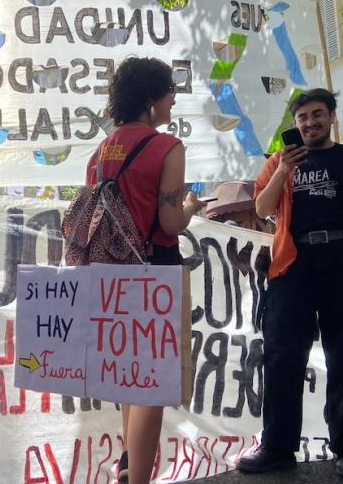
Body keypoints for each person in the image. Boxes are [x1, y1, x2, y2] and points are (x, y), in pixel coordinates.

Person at [236, 89, 343, 480]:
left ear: (332, 117)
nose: (309, 123)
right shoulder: (278, 161)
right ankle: (277, 447)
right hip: (294, 265)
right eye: (302, 117)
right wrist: (284, 170)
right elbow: (263, 209)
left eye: (317, 115)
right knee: (283, 355)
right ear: (295, 123)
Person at [86, 57, 206, 484]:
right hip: (154, 267)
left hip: (107, 274)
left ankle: (127, 466)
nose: (173, 102)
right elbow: (171, 222)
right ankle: (138, 477)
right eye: (169, 93)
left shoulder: (100, 152)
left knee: (125, 374)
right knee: (151, 380)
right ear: (152, 99)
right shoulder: (167, 147)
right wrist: (190, 206)